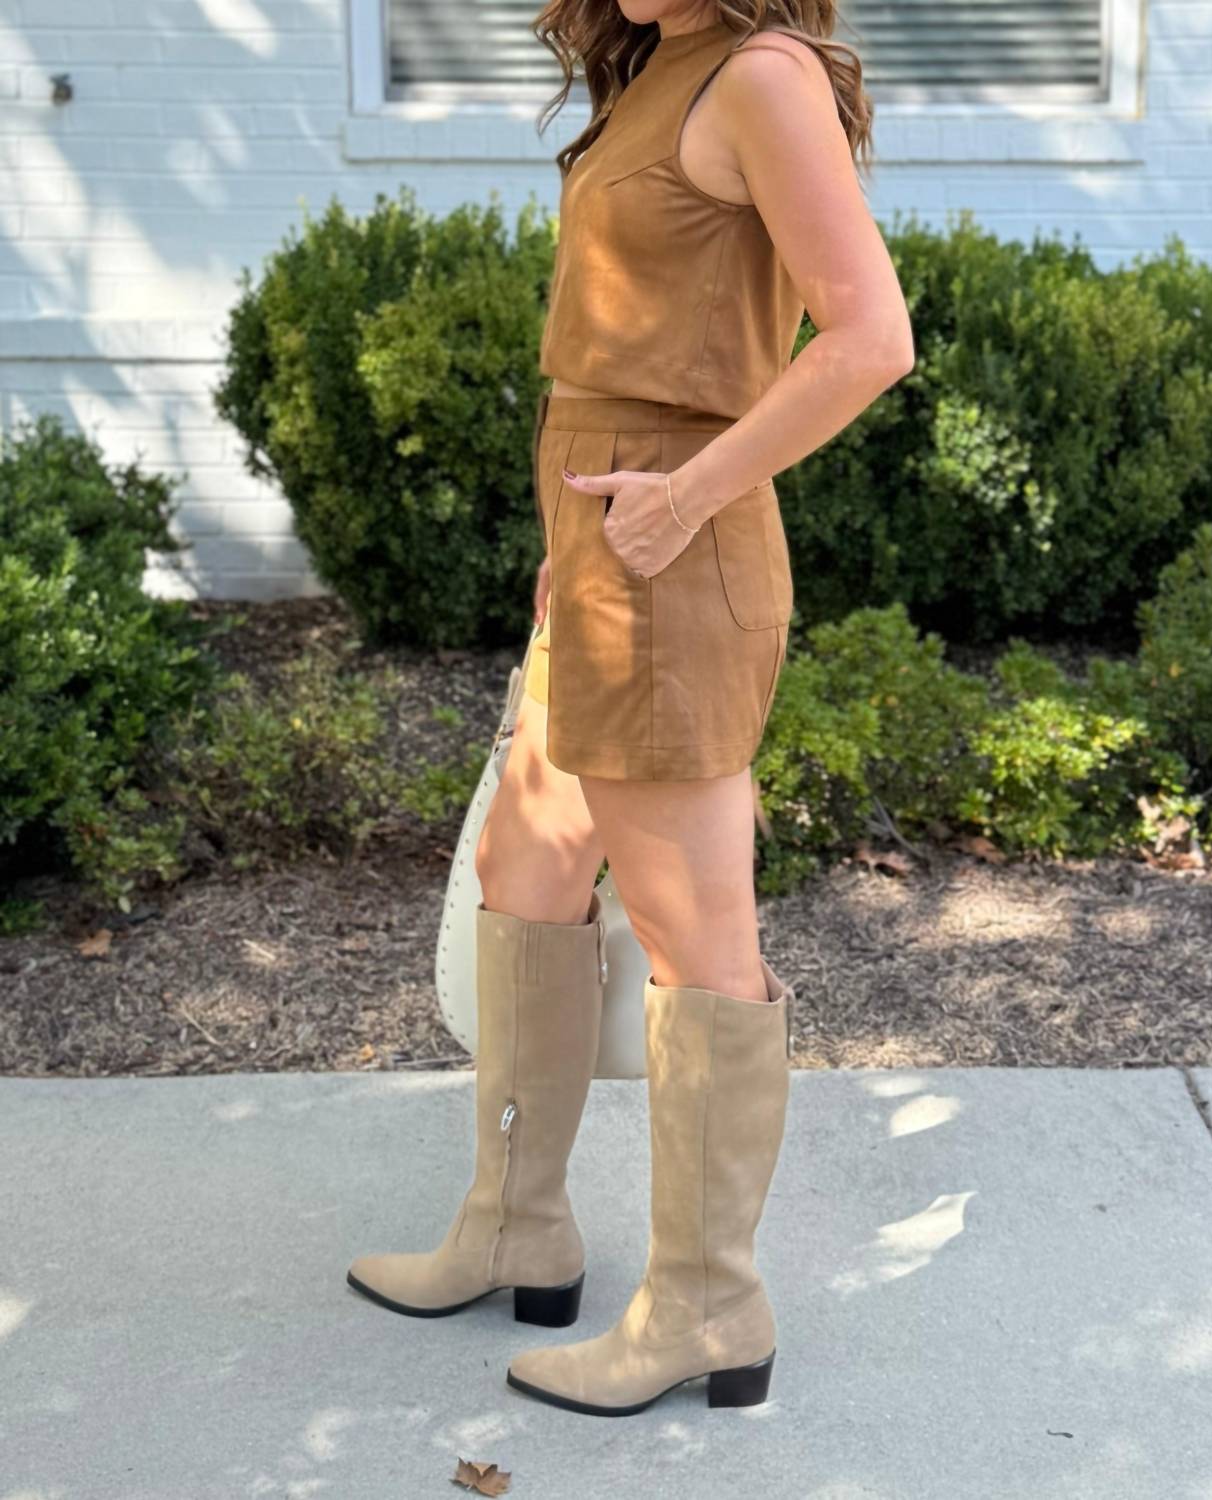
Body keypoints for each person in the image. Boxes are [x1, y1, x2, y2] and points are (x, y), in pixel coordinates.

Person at [346, 0, 914, 1417]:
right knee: (525, 864)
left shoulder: (762, 73)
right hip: (607, 545)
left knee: (691, 934)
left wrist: (680, 498)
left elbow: (870, 338)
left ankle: (707, 1308)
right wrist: (576, 542)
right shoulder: (663, 62)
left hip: (669, 548)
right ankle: (513, 1226)